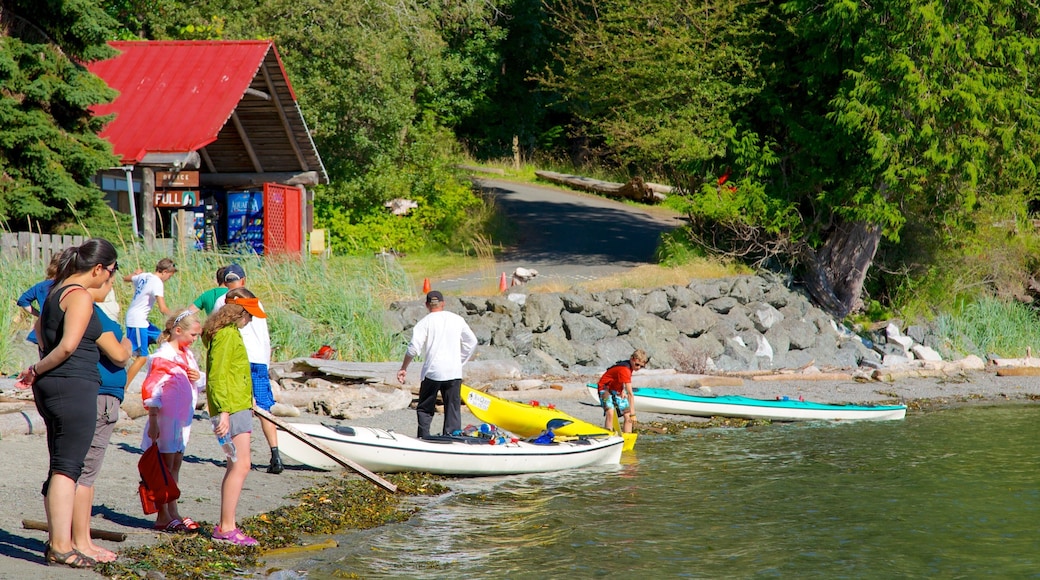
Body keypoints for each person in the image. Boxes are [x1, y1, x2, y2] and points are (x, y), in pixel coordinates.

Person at [16, 238, 119, 569]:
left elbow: (45, 339)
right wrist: (35, 370)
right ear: (99, 268)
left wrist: (40, 372)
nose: (111, 280)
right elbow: (66, 348)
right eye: (112, 272)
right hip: (72, 386)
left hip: (55, 388)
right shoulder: (80, 297)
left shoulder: (54, 292)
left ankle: (60, 541)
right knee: (68, 468)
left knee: (61, 464)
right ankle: (61, 546)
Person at [74, 275, 132, 563]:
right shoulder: (94, 315)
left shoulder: (63, 307)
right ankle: (80, 540)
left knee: (72, 468)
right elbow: (120, 355)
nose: (111, 288)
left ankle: (72, 537)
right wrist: (128, 345)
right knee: (85, 473)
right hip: (100, 396)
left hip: (84, 393)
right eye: (109, 282)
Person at [203, 296, 265, 546]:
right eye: (248, 315)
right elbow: (217, 375)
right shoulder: (226, 335)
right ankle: (226, 527)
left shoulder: (228, 333)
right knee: (240, 464)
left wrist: (248, 400)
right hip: (230, 407)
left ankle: (227, 524)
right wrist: (225, 412)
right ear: (238, 313)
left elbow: (233, 371)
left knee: (237, 464)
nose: (250, 321)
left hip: (238, 404)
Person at [141, 308, 205, 533]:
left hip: (182, 417)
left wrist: (199, 378)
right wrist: (153, 419)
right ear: (178, 331)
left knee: (176, 463)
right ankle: (162, 514)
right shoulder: (162, 357)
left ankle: (173, 509)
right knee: (164, 466)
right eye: (193, 335)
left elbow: (197, 380)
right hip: (167, 418)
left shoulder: (186, 354)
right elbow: (151, 389)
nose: (195, 340)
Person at [396, 290, 477, 439]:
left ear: (427, 305)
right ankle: (453, 438)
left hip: (433, 372)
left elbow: (413, 348)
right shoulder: (457, 319)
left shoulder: (425, 322)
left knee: (425, 408)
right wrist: (460, 360)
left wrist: (403, 368)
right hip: (453, 372)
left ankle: (424, 437)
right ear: (443, 303)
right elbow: (471, 342)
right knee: (453, 409)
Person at [220, 286, 283, 473]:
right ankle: (275, 454)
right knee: (264, 408)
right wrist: (266, 363)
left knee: (239, 406)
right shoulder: (257, 302)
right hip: (259, 360)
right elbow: (265, 338)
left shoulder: (224, 300)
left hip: (241, 359)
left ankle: (237, 455)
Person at [124, 258, 177, 386]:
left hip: (140, 320)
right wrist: (178, 317)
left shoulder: (144, 276)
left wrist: (135, 274)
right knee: (142, 357)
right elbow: (163, 308)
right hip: (137, 321)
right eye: (169, 276)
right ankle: (123, 387)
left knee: (164, 338)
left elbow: (126, 278)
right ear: (164, 272)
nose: (168, 279)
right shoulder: (157, 282)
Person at [596, 349, 649, 434]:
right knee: (610, 412)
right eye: (637, 365)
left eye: (641, 366)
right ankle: (608, 434)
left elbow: (619, 379)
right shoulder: (625, 370)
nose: (638, 368)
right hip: (604, 388)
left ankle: (627, 436)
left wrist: (622, 390)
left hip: (616, 389)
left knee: (627, 415)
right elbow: (630, 394)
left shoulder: (630, 367)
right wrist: (633, 414)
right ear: (632, 359)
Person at [15, 253, 62, 344]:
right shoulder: (63, 286)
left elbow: (22, 300)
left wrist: (39, 314)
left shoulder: (40, 286)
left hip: (39, 333)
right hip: (56, 334)